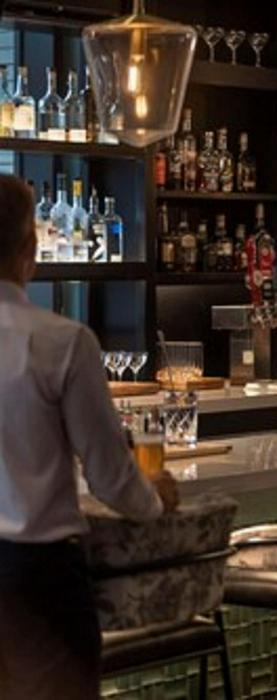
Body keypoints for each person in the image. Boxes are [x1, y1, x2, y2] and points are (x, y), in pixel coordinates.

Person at [0, 175, 179, 699]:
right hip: (34, 576)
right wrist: (155, 499)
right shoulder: (62, 341)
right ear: (31, 248)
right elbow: (110, 476)